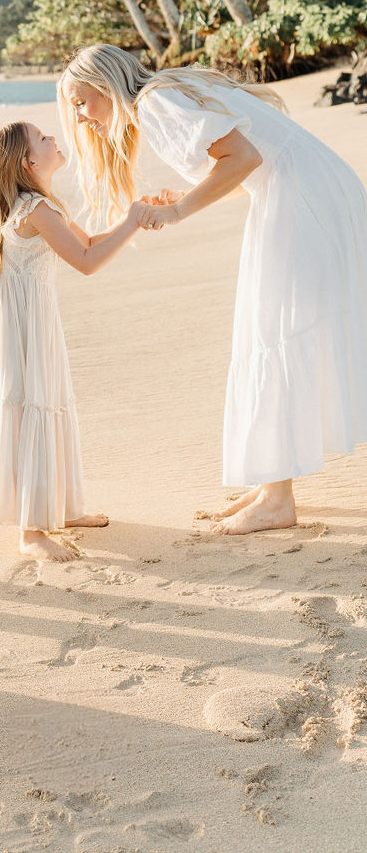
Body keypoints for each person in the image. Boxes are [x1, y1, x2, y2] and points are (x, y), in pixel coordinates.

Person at [59, 43, 367, 535]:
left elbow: (243, 157)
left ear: (104, 85)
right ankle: (271, 486)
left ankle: (277, 500)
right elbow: (248, 158)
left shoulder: (154, 104)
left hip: (303, 199)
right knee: (266, 332)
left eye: (80, 102)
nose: (78, 118)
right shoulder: (168, 90)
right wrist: (185, 195)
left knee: (270, 333)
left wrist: (178, 212)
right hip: (315, 190)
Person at [0, 119, 142, 561]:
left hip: (32, 319)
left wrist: (133, 220)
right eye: (43, 139)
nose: (53, 139)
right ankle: (30, 533)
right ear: (29, 162)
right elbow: (86, 260)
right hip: (22, 326)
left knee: (49, 399)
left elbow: (87, 241)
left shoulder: (42, 204)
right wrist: (134, 222)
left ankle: (60, 506)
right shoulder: (34, 210)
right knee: (32, 404)